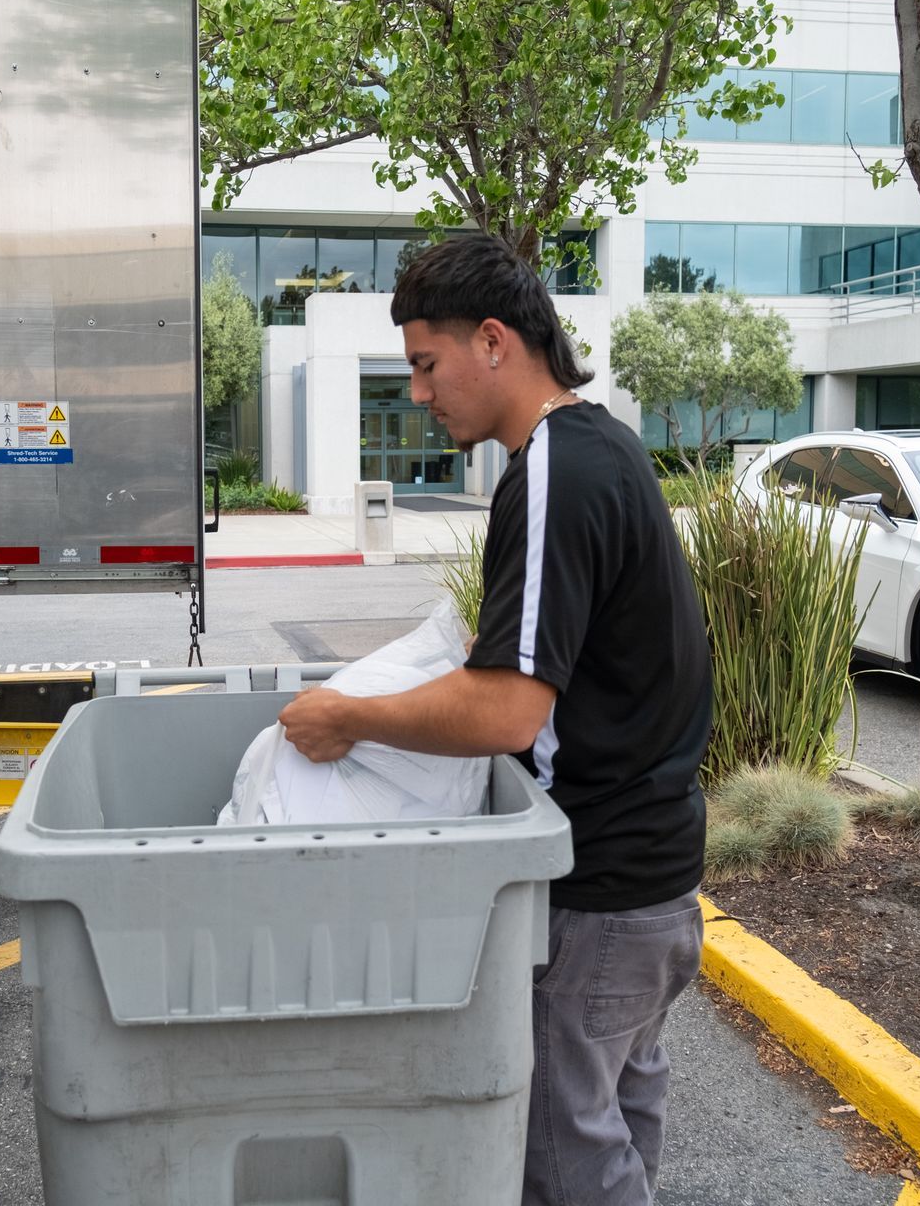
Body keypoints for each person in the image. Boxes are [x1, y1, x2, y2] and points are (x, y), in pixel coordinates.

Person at [278, 234, 710, 1206]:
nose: (420, 394)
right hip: (655, 888)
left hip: (597, 893)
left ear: (491, 340)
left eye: (426, 365)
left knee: (562, 1167)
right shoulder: (608, 445)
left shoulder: (552, 465)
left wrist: (348, 716)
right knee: (616, 1145)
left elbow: (508, 706)